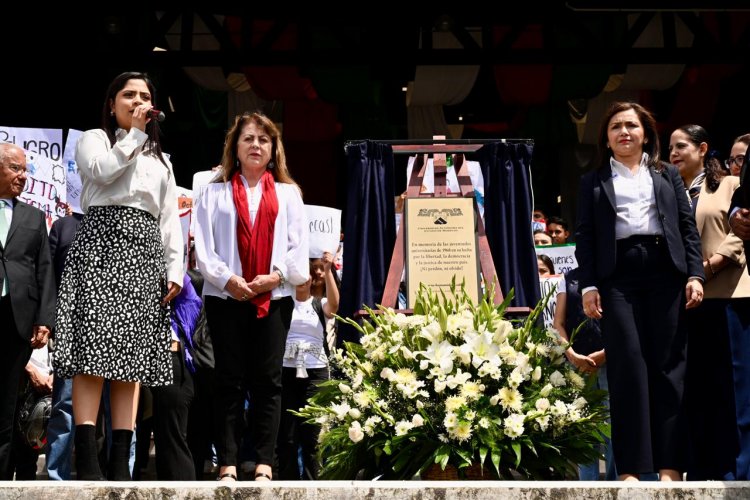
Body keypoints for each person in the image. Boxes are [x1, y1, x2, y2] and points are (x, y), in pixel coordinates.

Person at [52, 72, 184, 481]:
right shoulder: (95, 138)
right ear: (113, 103)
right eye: (130, 95)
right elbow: (100, 172)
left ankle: (120, 462)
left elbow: (168, 218)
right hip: (100, 249)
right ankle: (87, 460)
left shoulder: (160, 158)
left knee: (130, 361)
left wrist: (173, 267)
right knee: (92, 355)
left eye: (145, 96)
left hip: (143, 255)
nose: (138, 101)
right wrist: (134, 135)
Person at [575, 102, 704, 481]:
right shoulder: (593, 181)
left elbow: (686, 226)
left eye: (631, 125)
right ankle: (630, 470)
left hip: (666, 271)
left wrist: (694, 274)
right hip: (618, 277)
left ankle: (670, 468)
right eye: (615, 127)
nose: (624, 132)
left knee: (669, 369)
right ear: (607, 137)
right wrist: (589, 284)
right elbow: (585, 236)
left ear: (645, 133)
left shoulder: (666, 175)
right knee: (628, 366)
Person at [193, 111, 309, 482]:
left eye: (263, 139)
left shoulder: (289, 194)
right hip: (226, 298)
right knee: (227, 379)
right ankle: (226, 461)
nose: (256, 145)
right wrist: (228, 280)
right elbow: (204, 249)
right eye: (248, 139)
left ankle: (264, 461)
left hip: (273, 298)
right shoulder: (213, 191)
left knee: (268, 381)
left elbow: (297, 247)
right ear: (235, 147)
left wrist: (272, 279)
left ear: (274, 148)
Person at [669, 124, 747, 479]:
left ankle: (739, 470)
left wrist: (712, 265)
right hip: (688, 305)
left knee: (734, 387)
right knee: (696, 389)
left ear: (702, 149)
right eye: (669, 147)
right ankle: (702, 469)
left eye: (681, 146)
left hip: (728, 297)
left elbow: (741, 231)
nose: (673, 153)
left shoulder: (729, 185)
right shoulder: (669, 193)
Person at [0, 142, 55, 479]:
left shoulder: (33, 216)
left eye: (25, 170)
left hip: (15, 321)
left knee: (6, 407)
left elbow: (45, 270)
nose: (23, 176)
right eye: (15, 168)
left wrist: (44, 319)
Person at [277, 251, 339, 479]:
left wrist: (329, 269)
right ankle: (287, 485)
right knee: (288, 436)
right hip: (286, 370)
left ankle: (314, 485)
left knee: (312, 435)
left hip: (316, 372)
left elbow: (334, 305)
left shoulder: (318, 303)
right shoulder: (282, 304)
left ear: (312, 279)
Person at [552, 266, 616, 481]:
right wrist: (572, 355)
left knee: (613, 426)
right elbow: (558, 324)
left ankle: (613, 484)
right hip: (577, 363)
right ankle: (587, 486)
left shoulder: (615, 272)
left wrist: (606, 353)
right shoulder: (569, 278)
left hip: (611, 361)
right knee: (583, 428)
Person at [45, 206, 82, 480]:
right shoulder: (63, 226)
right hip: (70, 330)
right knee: (65, 405)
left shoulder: (118, 220)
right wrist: (52, 323)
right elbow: (48, 279)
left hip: (111, 330)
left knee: (113, 407)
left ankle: (117, 475)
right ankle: (58, 476)